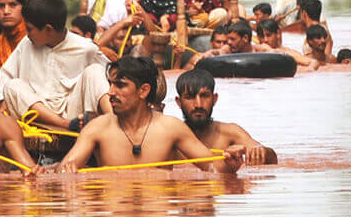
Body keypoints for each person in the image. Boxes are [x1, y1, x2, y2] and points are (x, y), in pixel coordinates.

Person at [57, 57, 244, 173]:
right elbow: (63, 170)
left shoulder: (171, 128)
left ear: (143, 91)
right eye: (110, 85)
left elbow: (213, 168)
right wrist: (68, 173)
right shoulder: (97, 128)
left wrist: (231, 165)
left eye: (120, 85)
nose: (110, 93)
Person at [0, 0, 111, 131]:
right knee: (12, 85)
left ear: (48, 29)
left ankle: (115, 122)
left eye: (30, 29)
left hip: (74, 114)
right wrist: (3, 102)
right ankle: (64, 125)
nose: (27, 34)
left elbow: (108, 78)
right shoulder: (26, 44)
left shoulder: (86, 48)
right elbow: (5, 76)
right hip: (35, 117)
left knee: (95, 71)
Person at [176, 69, 277, 165]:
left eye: (204, 96)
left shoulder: (230, 133)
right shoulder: (171, 136)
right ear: (179, 102)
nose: (198, 104)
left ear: (214, 99)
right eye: (189, 97)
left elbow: (268, 156)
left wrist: (261, 151)